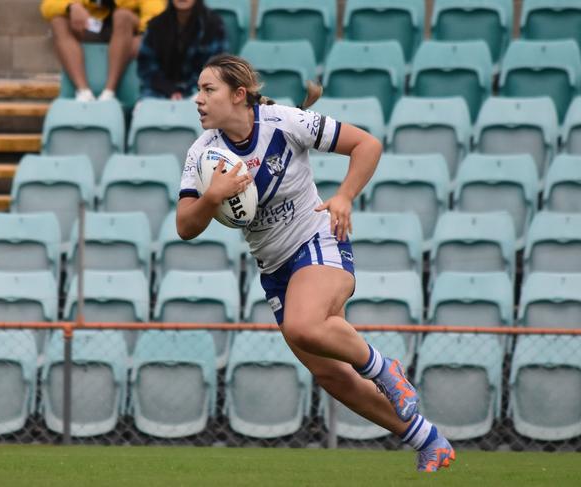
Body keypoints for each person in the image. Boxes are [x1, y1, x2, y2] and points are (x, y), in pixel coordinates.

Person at [176, 54, 456, 473]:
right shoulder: (202, 153)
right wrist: (213, 196)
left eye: (207, 89)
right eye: (198, 90)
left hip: (318, 242)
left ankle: (384, 368)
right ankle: (429, 441)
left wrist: (343, 196)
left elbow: (367, 144)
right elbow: (184, 226)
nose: (198, 99)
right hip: (275, 270)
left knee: (303, 326)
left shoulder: (285, 121)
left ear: (237, 95)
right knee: (333, 377)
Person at [40, 0, 166, 102]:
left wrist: (144, 36)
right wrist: (72, 6)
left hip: (126, 29)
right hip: (91, 26)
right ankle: (83, 92)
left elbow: (155, 14)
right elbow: (47, 5)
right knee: (58, 22)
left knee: (123, 15)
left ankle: (109, 92)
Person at [137, 0, 227, 100]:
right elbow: (146, 67)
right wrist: (170, 90)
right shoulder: (155, 25)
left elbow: (215, 67)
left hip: (198, 91)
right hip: (159, 92)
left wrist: (184, 91)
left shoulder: (213, 25)